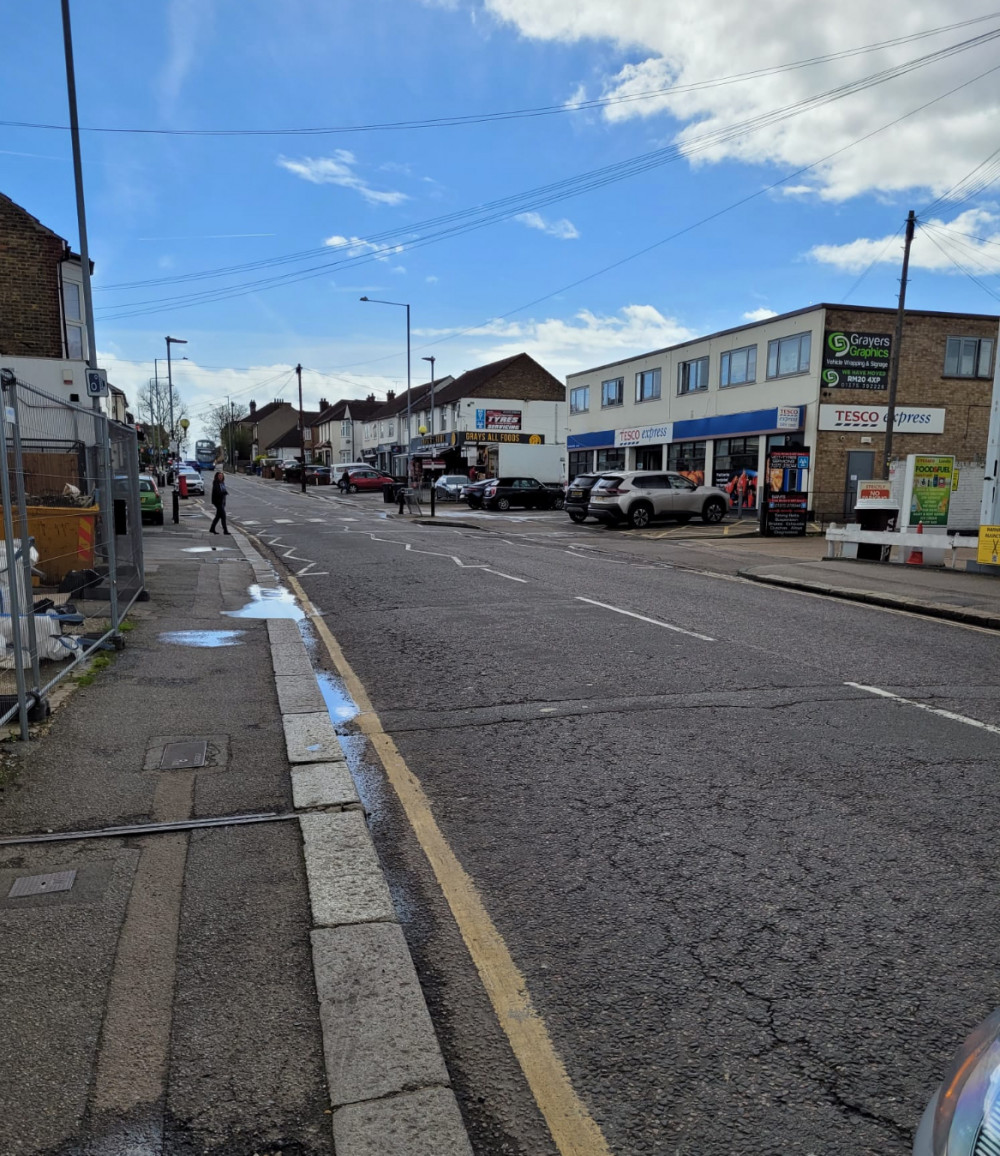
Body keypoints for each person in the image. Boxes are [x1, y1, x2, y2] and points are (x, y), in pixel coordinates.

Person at [209, 470, 230, 534]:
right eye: (219, 476)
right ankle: (225, 530)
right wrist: (224, 493)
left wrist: (224, 493)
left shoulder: (222, 483)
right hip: (218, 502)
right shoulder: (216, 483)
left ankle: (212, 528)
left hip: (222, 502)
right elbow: (217, 492)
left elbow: (223, 491)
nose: (221, 477)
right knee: (223, 516)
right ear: (217, 477)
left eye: (222, 476)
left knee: (218, 516)